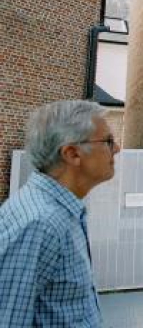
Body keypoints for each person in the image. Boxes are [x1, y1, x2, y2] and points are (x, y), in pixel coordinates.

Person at [0, 100, 120, 327]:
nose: (117, 148)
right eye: (108, 141)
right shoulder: (41, 224)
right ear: (72, 154)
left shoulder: (62, 210)